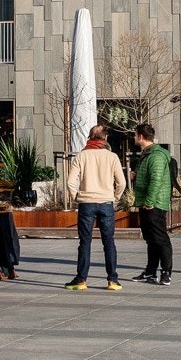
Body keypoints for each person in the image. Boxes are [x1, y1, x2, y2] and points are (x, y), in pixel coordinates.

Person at [64, 124, 127, 291]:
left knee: (85, 242)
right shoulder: (112, 157)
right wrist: (115, 197)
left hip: (86, 203)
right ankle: (112, 280)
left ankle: (81, 279)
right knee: (109, 242)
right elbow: (122, 183)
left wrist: (76, 197)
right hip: (106, 203)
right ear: (105, 138)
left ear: (90, 137)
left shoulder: (81, 156)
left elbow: (70, 182)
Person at [130, 123, 173, 286]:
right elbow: (149, 175)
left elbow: (156, 180)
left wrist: (149, 202)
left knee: (160, 238)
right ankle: (150, 271)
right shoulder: (147, 154)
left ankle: (166, 272)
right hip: (146, 202)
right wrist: (137, 175)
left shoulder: (156, 155)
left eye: (135, 135)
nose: (134, 138)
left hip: (154, 203)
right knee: (151, 239)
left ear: (141, 137)